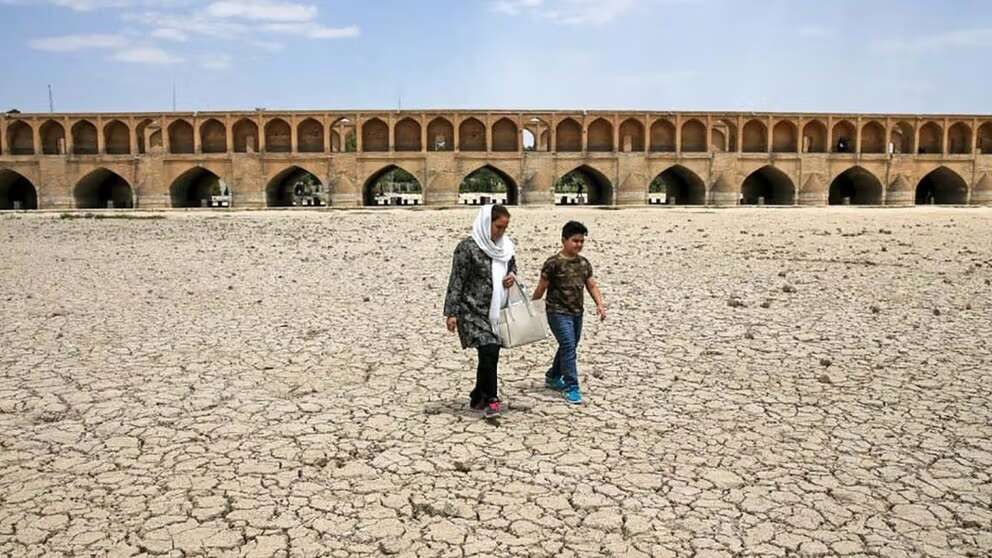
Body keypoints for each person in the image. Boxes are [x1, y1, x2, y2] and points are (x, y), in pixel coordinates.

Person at [443, 205, 517, 418]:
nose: (501, 232)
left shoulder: (505, 247)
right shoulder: (467, 248)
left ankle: (478, 395)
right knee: (489, 349)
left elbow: (512, 266)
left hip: (496, 309)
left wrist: (511, 276)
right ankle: (492, 399)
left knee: (489, 353)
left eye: (504, 228)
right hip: (471, 310)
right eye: (498, 227)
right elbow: (457, 280)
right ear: (487, 223)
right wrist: (452, 313)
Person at [532, 220, 606, 405]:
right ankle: (571, 387)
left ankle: (553, 375)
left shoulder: (583, 263)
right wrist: (531, 306)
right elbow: (541, 287)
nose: (579, 244)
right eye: (575, 241)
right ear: (564, 240)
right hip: (557, 312)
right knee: (568, 345)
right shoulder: (553, 263)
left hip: (577, 312)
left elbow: (591, 285)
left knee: (570, 346)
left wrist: (600, 304)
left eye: (581, 241)